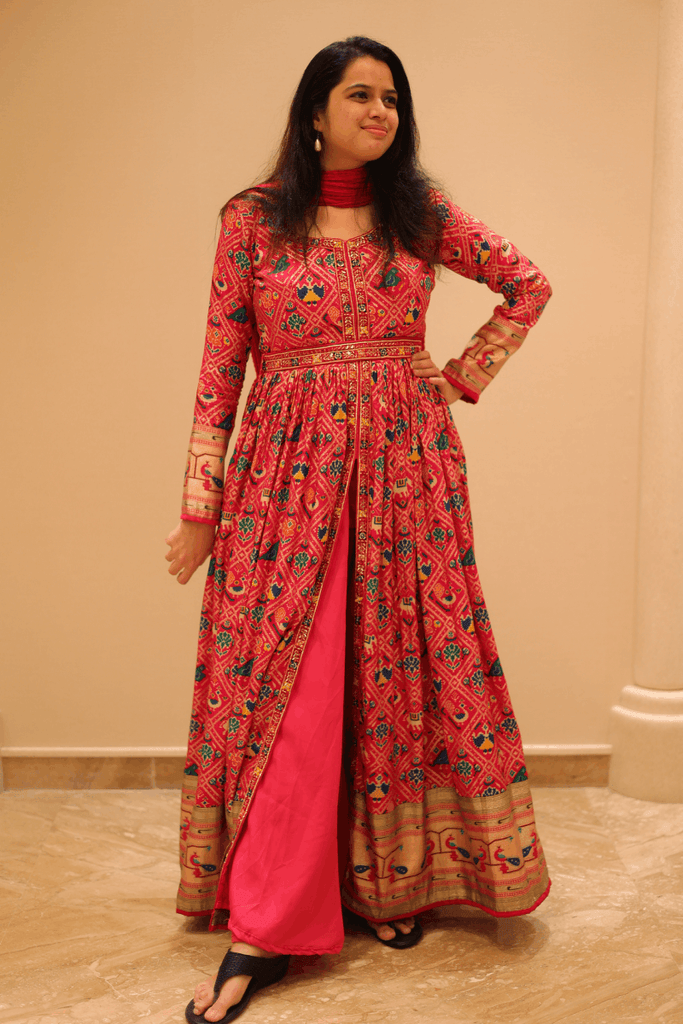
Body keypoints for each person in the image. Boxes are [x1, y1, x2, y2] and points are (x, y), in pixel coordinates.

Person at [165, 35, 552, 1024]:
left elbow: (527, 284)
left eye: (391, 99)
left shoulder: (419, 214)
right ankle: (266, 918)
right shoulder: (253, 219)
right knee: (287, 690)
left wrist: (458, 378)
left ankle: (388, 882)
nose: (380, 112)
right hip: (281, 480)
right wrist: (201, 508)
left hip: (404, 472)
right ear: (315, 113)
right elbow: (220, 367)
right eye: (360, 95)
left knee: (394, 669)